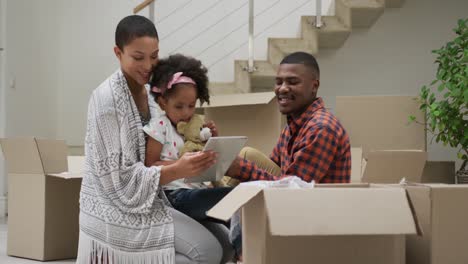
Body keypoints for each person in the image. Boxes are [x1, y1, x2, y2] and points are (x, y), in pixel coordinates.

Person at [77, 15, 224, 264]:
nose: (148, 65)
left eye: (154, 56)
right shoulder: (107, 102)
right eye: (138, 57)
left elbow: (169, 143)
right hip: (116, 209)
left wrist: (202, 145)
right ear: (118, 52)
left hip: (156, 196)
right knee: (208, 251)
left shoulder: (151, 93)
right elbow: (119, 182)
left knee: (226, 242)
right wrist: (177, 170)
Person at [226, 51, 352, 258]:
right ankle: (216, 203)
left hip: (315, 219)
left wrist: (242, 169)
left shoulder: (321, 128)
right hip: (293, 208)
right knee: (244, 157)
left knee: (245, 162)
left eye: (292, 82)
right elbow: (272, 171)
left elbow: (294, 189)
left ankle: (223, 222)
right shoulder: (294, 125)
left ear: (314, 85)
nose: (283, 89)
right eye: (279, 82)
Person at [143, 54, 236, 260]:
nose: (186, 113)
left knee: (234, 200)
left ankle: (241, 244)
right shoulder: (160, 126)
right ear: (162, 102)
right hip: (174, 196)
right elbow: (150, 166)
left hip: (195, 190)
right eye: (179, 106)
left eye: (192, 106)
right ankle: (246, 249)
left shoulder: (194, 126)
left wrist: (213, 140)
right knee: (231, 197)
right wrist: (181, 165)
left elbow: (207, 158)